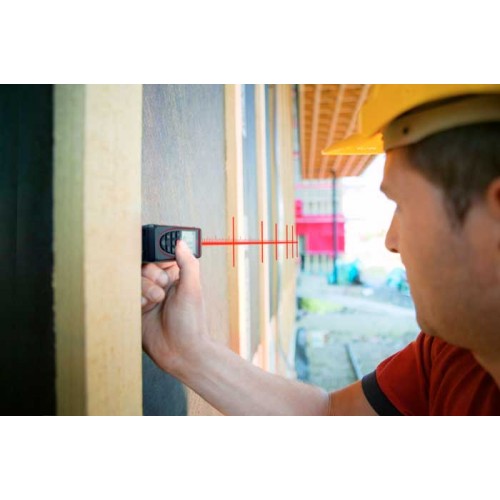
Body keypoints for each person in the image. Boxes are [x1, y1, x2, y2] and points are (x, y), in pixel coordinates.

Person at [141, 85, 500, 415]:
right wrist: (187, 350)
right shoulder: (455, 354)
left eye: (401, 205)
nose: (391, 241)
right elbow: (327, 416)